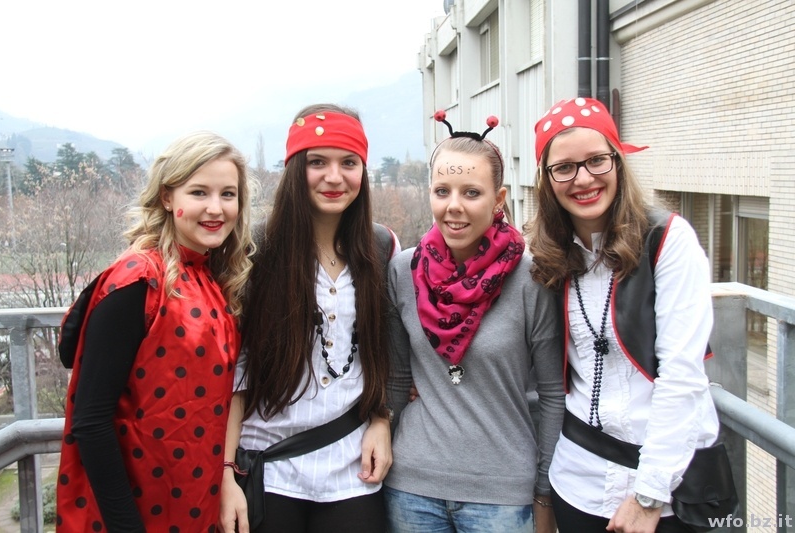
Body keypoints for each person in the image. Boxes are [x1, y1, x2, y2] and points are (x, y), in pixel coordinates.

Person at [525, 97, 720, 533]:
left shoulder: (668, 239)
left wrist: (649, 494)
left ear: (617, 161)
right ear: (547, 179)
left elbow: (682, 375)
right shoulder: (546, 255)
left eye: (596, 160)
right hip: (578, 481)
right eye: (564, 168)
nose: (583, 179)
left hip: (669, 492)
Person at [55, 131, 255, 532]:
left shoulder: (210, 277)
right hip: (135, 513)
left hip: (192, 509)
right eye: (199, 192)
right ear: (167, 197)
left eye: (228, 194)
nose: (216, 208)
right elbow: (90, 421)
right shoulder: (138, 280)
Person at [219, 104, 400, 533]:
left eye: (349, 163)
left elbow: (386, 350)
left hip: (353, 468)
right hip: (268, 466)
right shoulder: (254, 251)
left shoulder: (380, 248)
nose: (334, 177)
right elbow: (236, 373)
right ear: (294, 169)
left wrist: (381, 418)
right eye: (317, 162)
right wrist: (224, 473)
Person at [383, 111, 565, 533]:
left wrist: (544, 493)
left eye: (471, 192)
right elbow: (397, 379)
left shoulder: (532, 279)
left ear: (499, 199)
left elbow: (553, 395)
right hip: (410, 487)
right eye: (442, 191)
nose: (454, 206)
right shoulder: (403, 271)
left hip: (503, 495)